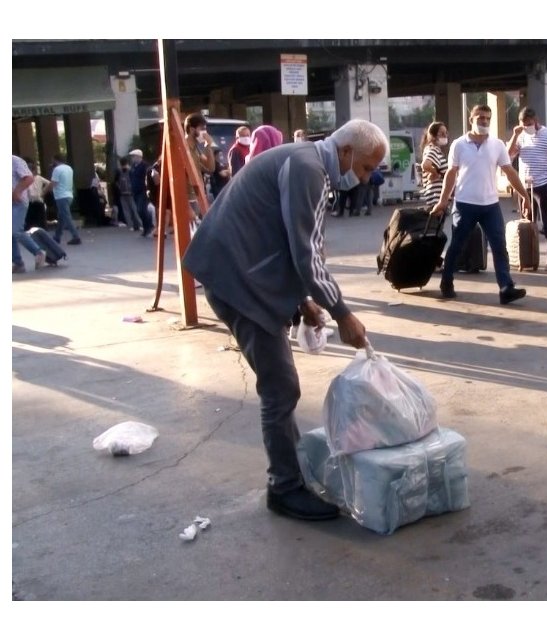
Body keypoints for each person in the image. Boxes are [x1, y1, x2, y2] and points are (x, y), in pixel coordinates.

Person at [182, 119, 382, 522]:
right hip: (236, 278)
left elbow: (292, 240)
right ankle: (284, 487)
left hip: (243, 271)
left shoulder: (311, 165)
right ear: (345, 152)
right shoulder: (307, 167)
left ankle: (292, 474)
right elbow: (305, 252)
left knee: (281, 385)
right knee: (280, 387)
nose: (364, 179)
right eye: (364, 168)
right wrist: (342, 312)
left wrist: (304, 303)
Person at [428, 103, 533, 305]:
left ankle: (505, 288)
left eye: (487, 118)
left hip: (490, 205)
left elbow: (509, 172)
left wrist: (525, 196)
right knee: (457, 246)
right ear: (471, 120)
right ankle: (446, 282)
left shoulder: (497, 145)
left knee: (499, 246)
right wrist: (443, 201)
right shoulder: (459, 145)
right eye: (480, 118)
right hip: (465, 204)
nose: (484, 121)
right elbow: (451, 173)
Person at [505, 107, 547, 269]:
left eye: (529, 124)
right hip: (525, 186)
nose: (526, 127)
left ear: (535, 120)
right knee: (528, 221)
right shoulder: (520, 136)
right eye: (523, 124)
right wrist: (516, 134)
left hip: (543, 183)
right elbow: (507, 156)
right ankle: (530, 255)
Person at [12, 155, 47, 273]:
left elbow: (29, 178)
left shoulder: (15, 160)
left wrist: (17, 191)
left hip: (18, 202)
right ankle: (18, 263)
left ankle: (38, 252)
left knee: (14, 231)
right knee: (13, 233)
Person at [48, 153, 81, 245]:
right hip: (69, 194)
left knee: (66, 216)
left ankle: (76, 236)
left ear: (55, 160)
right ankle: (57, 236)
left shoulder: (57, 169)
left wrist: (44, 191)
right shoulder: (69, 168)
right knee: (62, 217)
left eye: (52, 160)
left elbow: (53, 183)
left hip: (60, 196)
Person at [419, 121, 450, 210]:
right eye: (441, 133)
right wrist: (435, 173)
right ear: (433, 136)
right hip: (436, 196)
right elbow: (425, 165)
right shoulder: (433, 149)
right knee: (436, 221)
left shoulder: (435, 150)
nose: (445, 135)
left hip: (437, 196)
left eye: (446, 133)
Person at [128, 150, 155, 237]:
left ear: (139, 156)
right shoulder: (133, 167)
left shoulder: (144, 166)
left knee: (141, 209)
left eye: (134, 156)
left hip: (143, 191)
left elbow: (149, 177)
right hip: (135, 191)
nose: (132, 158)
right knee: (139, 211)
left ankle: (149, 226)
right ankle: (146, 228)